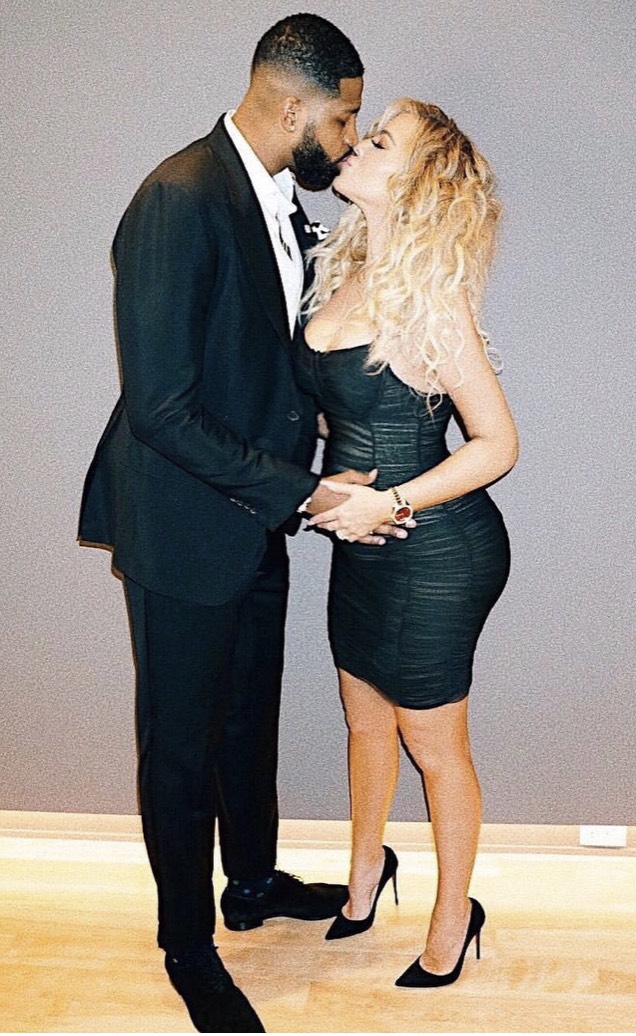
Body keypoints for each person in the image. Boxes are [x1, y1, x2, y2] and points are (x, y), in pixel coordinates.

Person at [78, 15, 405, 1033]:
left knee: (246, 715)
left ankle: (251, 884)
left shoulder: (274, 200)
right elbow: (162, 409)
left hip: (254, 517)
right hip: (183, 525)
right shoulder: (179, 199)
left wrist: (323, 466)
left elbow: (262, 368)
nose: (346, 141)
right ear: (292, 105)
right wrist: (307, 496)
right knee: (180, 747)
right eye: (343, 119)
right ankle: (187, 947)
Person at [297, 98, 519, 988]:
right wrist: (333, 477)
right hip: (365, 543)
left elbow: (497, 444)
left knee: (435, 747)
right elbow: (347, 412)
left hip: (438, 555)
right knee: (362, 721)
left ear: (417, 182)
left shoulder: (433, 298)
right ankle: (364, 879)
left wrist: (386, 495)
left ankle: (454, 917)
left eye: (381, 140)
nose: (356, 143)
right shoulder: (346, 273)